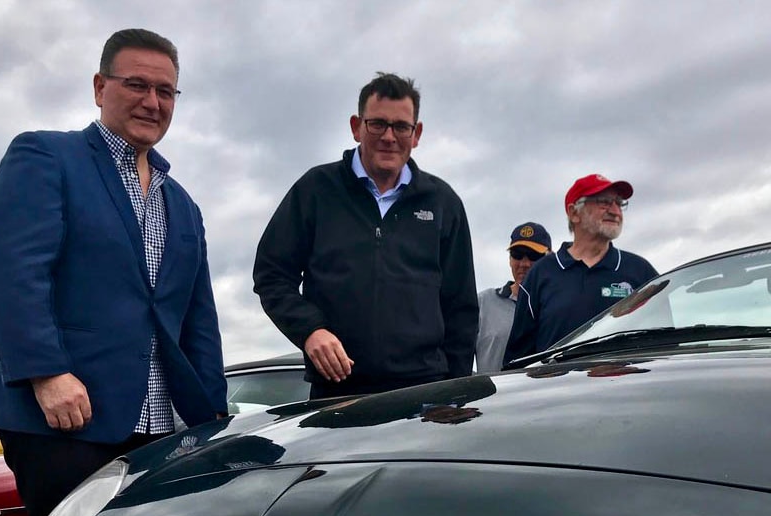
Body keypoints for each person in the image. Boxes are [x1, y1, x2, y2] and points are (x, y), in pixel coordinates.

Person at [0, 28, 226, 516]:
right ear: (99, 87)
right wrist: (46, 374)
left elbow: (198, 318)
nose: (152, 102)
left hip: (159, 432)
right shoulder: (45, 157)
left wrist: (213, 413)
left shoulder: (184, 206)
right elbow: (10, 273)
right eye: (135, 84)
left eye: (166, 91)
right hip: (65, 421)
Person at [253, 72, 478, 399]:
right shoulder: (316, 190)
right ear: (356, 126)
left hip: (425, 396)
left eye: (401, 127)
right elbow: (271, 274)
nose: (389, 136)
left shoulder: (443, 203)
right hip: (337, 394)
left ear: (416, 134)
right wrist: (310, 330)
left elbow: (462, 309)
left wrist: (454, 393)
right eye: (377, 124)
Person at [503, 174, 658, 367]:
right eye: (604, 202)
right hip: (559, 394)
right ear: (574, 213)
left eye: (619, 203)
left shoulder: (641, 272)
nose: (615, 210)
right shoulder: (540, 274)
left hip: (626, 393)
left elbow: (666, 349)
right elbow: (518, 360)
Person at [475, 222, 552, 373]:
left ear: (550, 258)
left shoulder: (558, 306)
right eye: (517, 255)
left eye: (533, 256)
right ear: (510, 259)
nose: (524, 263)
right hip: (496, 395)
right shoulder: (483, 303)